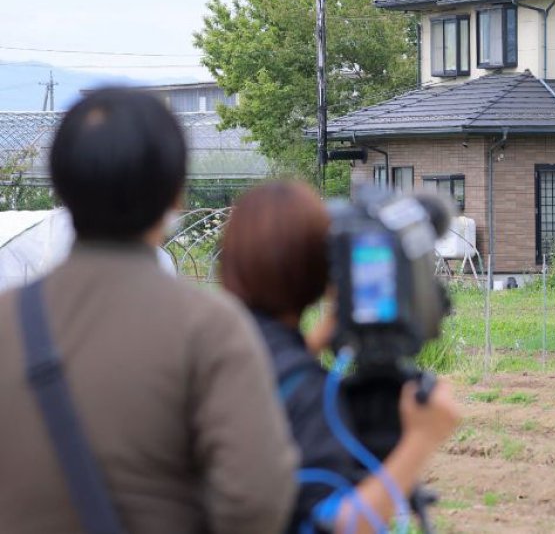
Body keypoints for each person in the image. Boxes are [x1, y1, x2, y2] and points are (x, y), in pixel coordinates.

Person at [0, 87, 298, 533]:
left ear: (60, 188)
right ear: (176, 195)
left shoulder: (8, 320)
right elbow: (256, 501)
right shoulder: (210, 328)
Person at [220, 181, 460, 534]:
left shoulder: (217, 345)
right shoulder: (308, 393)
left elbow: (261, 375)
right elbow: (334, 525)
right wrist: (420, 441)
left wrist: (313, 343)